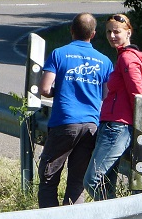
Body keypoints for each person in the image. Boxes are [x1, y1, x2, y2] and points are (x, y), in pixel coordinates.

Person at [37, 13, 113, 208]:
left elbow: (45, 89)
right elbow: (106, 94)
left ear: (71, 30)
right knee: (77, 182)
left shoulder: (59, 54)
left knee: (49, 176)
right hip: (91, 125)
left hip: (64, 122)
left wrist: (59, 90)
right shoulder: (104, 61)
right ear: (93, 34)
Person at [84, 13, 142, 200]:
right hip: (111, 125)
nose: (112, 36)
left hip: (118, 127)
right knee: (106, 182)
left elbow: (138, 94)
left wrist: (139, 127)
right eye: (108, 32)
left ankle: (115, 215)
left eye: (117, 32)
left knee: (93, 180)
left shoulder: (127, 59)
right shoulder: (122, 56)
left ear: (128, 32)